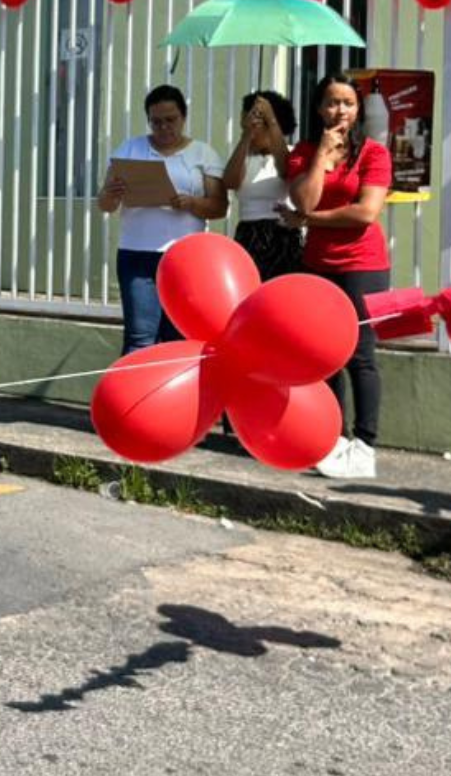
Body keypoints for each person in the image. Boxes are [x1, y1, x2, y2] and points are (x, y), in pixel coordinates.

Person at [282, 72, 391, 480]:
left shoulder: (374, 154)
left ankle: (365, 445)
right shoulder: (304, 152)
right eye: (331, 102)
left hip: (363, 266)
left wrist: (309, 219)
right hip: (318, 265)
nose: (339, 110)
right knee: (325, 355)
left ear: (358, 108)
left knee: (360, 355)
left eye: (347, 102)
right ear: (318, 108)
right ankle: (334, 438)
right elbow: (301, 197)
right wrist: (321, 158)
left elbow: (365, 212)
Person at [98, 85, 227, 354]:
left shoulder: (203, 153)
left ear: (184, 117)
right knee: (139, 337)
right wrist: (111, 193)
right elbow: (106, 204)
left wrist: (192, 202)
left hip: (184, 258)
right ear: (148, 120)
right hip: (137, 255)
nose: (164, 128)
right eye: (156, 122)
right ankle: (133, 396)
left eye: (171, 120)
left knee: (178, 336)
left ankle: (176, 396)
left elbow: (219, 207)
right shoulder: (130, 149)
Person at [222, 89, 301, 280]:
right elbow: (230, 181)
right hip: (249, 234)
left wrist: (271, 118)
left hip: (282, 235)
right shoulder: (243, 157)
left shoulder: (292, 153)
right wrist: (246, 136)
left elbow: (285, 170)